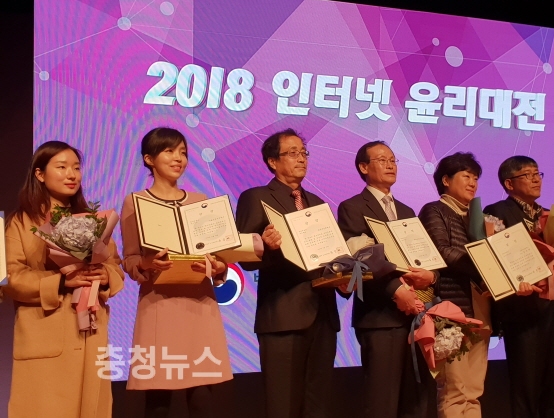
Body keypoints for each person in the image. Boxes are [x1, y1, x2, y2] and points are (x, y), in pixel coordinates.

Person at [3, 140, 124, 418]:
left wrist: (105, 275)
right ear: (39, 174)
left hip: (90, 334)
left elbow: (115, 265)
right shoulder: (19, 222)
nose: (72, 175)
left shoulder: (94, 220)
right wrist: (60, 282)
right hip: (45, 335)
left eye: (76, 168)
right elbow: (10, 278)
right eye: (62, 167)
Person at [120, 128, 233, 417]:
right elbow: (130, 259)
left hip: (199, 303)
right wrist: (148, 264)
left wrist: (219, 267)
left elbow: (218, 256)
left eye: (183, 152)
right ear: (149, 159)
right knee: (159, 400)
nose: (178, 158)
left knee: (202, 398)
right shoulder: (136, 202)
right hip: (160, 305)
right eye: (169, 151)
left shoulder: (200, 201)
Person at [235, 128, 340, 418]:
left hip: (323, 314)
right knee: (283, 404)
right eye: (292, 153)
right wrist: (267, 247)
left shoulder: (317, 203)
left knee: (318, 405)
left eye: (304, 153)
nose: (301, 159)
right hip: (282, 315)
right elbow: (245, 258)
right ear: (273, 161)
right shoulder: (256, 197)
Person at [337, 141, 436, 418]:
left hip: (415, 318)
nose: (390, 165)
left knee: (415, 402)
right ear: (363, 167)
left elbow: (423, 255)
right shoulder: (353, 207)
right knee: (382, 401)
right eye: (382, 160)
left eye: (393, 160)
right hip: (379, 317)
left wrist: (431, 275)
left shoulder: (407, 211)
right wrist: (396, 290)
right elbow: (360, 259)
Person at [484, 155, 554, 418]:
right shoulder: (496, 212)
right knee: (526, 388)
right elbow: (494, 257)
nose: (536, 179)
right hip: (523, 311)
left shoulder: (551, 216)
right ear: (509, 183)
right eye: (527, 175)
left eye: (538, 174)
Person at [418, 152, 491, 418]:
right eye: (466, 176)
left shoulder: (477, 218)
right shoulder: (434, 210)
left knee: (473, 390)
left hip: (480, 307)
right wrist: (486, 264)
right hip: (451, 309)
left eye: (476, 178)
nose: (473, 183)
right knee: (454, 389)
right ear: (446, 180)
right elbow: (441, 250)